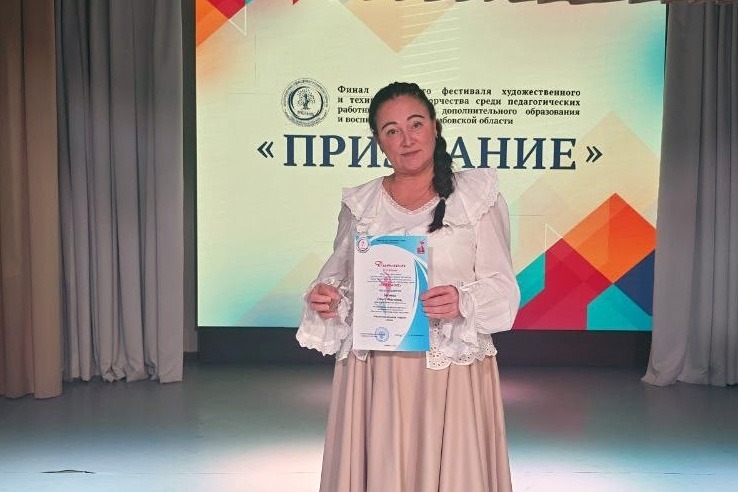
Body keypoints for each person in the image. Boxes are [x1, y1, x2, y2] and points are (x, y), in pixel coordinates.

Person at [296, 82, 520, 492]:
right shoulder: (361, 204)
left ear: (435, 126)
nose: (407, 138)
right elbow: (338, 280)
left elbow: (504, 291)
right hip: (375, 372)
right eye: (392, 130)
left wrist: (462, 301)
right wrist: (327, 298)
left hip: (449, 371)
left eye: (416, 124)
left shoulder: (476, 196)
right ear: (378, 141)